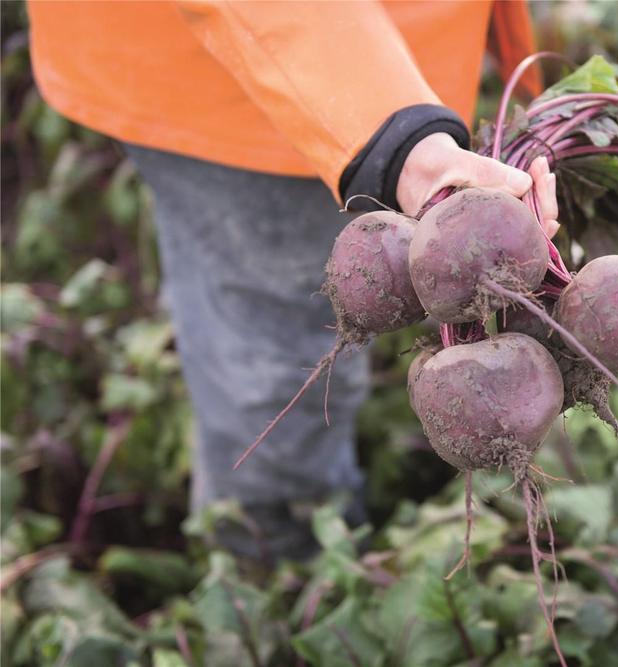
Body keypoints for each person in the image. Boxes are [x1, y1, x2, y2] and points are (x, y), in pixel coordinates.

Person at [27, 1, 556, 559]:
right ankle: (274, 564)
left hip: (356, 65)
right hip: (253, 87)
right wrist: (402, 143)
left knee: (245, 305)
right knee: (278, 366)